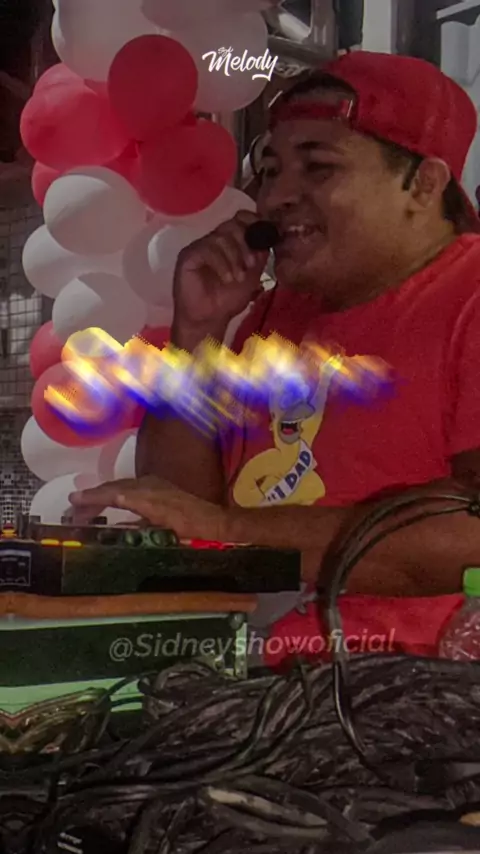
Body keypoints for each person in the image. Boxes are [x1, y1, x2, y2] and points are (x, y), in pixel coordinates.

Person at [70, 51, 480, 600]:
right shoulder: (275, 315)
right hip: (255, 647)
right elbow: (180, 510)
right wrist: (197, 333)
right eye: (269, 171)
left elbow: (471, 535)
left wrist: (231, 531)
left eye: (318, 167)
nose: (274, 197)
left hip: (412, 656)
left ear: (424, 185)